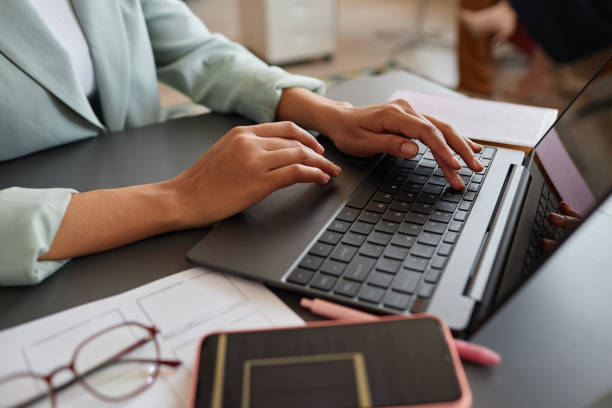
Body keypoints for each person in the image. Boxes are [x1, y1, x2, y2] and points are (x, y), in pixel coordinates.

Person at [0, 0, 484, 286]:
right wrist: (181, 197)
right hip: (49, 255)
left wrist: (332, 114)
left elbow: (195, 49)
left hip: (148, 201)